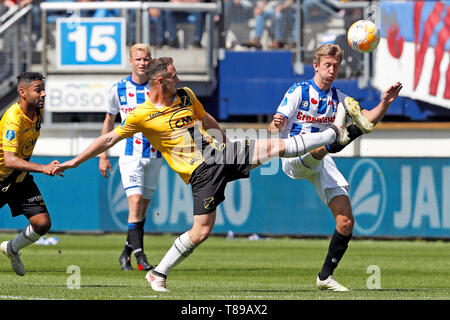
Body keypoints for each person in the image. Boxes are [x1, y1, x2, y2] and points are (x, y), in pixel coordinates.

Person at [52, 56, 364, 292]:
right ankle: (158, 272)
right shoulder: (141, 115)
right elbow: (108, 139)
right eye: (173, 76)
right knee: (201, 231)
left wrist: (223, 139)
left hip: (218, 155)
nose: (179, 79)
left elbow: (206, 117)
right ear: (160, 82)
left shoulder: (186, 95)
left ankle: (332, 133)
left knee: (273, 147)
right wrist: (75, 161)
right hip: (200, 174)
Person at [268, 43, 403, 291]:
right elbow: (274, 128)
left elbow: (366, 119)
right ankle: (339, 137)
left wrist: (385, 103)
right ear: (316, 66)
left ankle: (324, 278)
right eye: (327, 65)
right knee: (329, 142)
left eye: (336, 66)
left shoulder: (339, 97)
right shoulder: (299, 90)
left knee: (346, 221)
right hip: (293, 154)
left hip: (322, 159)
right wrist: (276, 123)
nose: (331, 70)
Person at [99, 43, 163, 272]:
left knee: (142, 209)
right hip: (129, 155)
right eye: (138, 59)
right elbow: (109, 119)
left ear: (151, 60)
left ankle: (125, 253)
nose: (142, 63)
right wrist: (103, 155)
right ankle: (140, 257)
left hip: (155, 154)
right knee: (134, 203)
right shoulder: (119, 88)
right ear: (131, 61)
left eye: (146, 59)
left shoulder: (158, 86)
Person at [0, 72, 62, 276]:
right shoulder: (12, 118)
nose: (43, 94)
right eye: (38, 90)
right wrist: (43, 168)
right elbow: (9, 159)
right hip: (1, 178)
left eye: (43, 89)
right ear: (22, 93)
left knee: (42, 223)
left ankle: (12, 248)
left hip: (19, 178)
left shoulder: (37, 113)